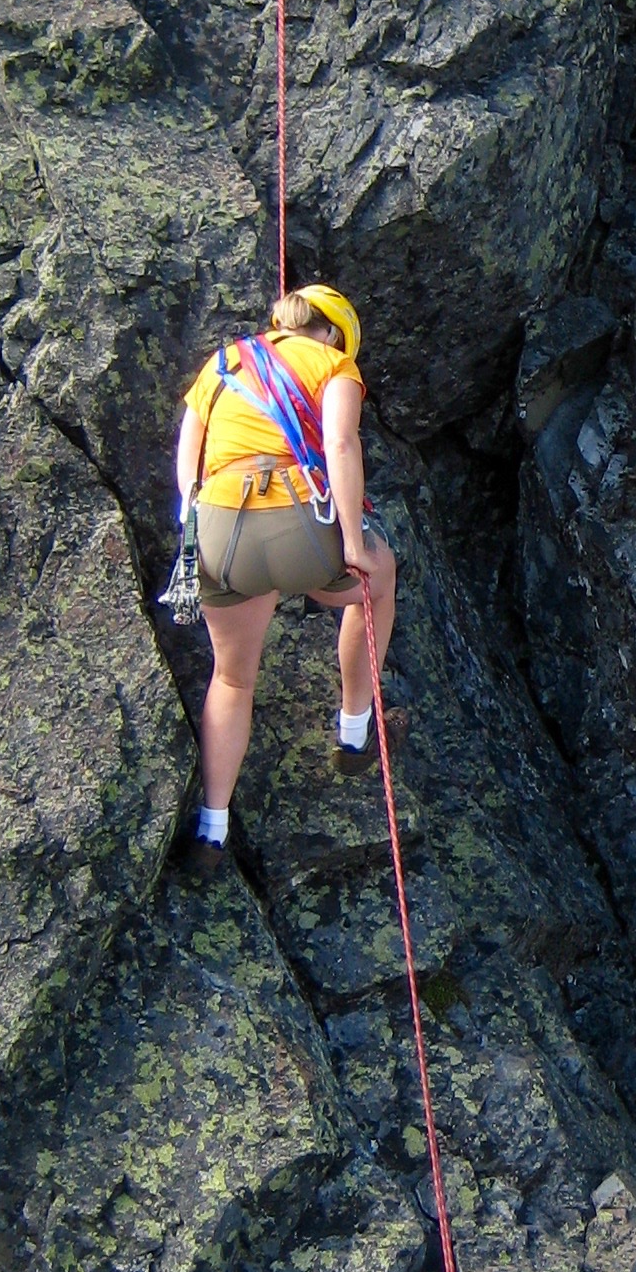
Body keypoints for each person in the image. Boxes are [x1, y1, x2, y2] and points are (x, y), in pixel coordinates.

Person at [173, 283, 398, 869]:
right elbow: (342, 447)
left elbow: (188, 458)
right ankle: (353, 731)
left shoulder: (221, 363)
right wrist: (352, 541)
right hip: (298, 523)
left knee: (231, 679)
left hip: (222, 531)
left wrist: (194, 527)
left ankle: (212, 829)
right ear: (330, 331)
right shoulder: (334, 364)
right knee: (379, 581)